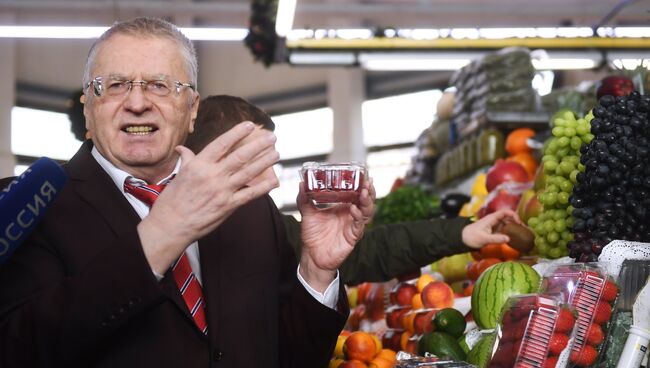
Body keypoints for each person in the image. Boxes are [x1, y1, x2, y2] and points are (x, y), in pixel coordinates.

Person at [0, 17, 375, 368]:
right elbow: (20, 349)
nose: (137, 103)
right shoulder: (31, 208)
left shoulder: (249, 209)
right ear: (88, 106)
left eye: (160, 85)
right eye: (114, 85)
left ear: (192, 108)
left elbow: (292, 358)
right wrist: (163, 231)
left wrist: (316, 272)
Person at [185, 95, 522, 286]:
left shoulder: (264, 225)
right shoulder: (158, 234)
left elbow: (363, 254)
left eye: (271, 160)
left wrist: (462, 232)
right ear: (211, 157)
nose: (271, 178)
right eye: (254, 160)